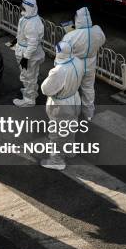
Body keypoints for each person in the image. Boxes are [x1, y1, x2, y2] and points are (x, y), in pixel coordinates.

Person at [39, 41, 83, 171]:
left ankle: (56, 160)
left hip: (61, 104)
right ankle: (69, 150)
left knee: (57, 133)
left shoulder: (59, 71)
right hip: (74, 98)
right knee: (71, 125)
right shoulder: (78, 62)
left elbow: (45, 89)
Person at [62, 7, 106, 121]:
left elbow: (63, 50)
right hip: (91, 63)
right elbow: (102, 40)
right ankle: (89, 114)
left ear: (77, 19)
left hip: (76, 65)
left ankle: (72, 115)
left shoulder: (70, 36)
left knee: (72, 90)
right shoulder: (97, 31)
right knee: (88, 88)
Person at [14, 0, 45, 107]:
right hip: (26, 51)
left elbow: (32, 44)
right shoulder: (30, 18)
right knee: (31, 75)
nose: (21, 10)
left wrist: (25, 58)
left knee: (27, 76)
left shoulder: (32, 24)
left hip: (28, 54)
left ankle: (29, 100)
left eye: (24, 8)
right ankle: (31, 92)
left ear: (29, 8)